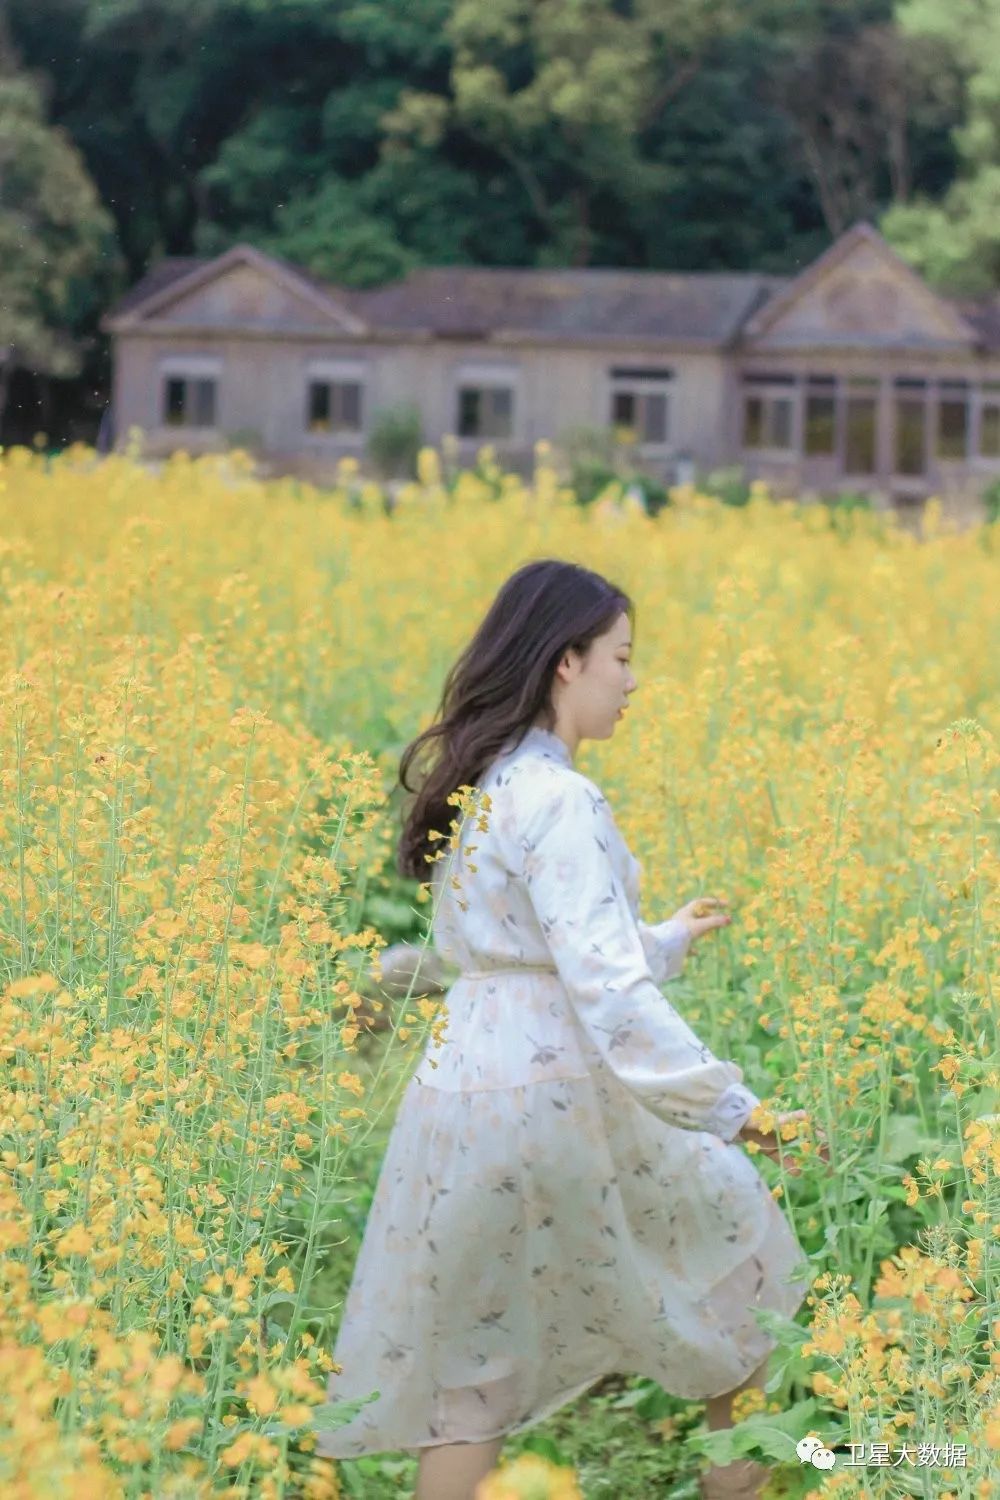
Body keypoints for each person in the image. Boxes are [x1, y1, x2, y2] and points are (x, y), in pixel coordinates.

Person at [314, 560, 811, 1500]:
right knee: (745, 1284)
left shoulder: (484, 789)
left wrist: (666, 938)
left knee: (475, 1375)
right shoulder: (564, 798)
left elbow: (514, 955)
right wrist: (736, 1111)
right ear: (565, 662)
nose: (634, 679)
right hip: (564, 1098)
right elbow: (605, 991)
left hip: (463, 1097)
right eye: (620, 657)